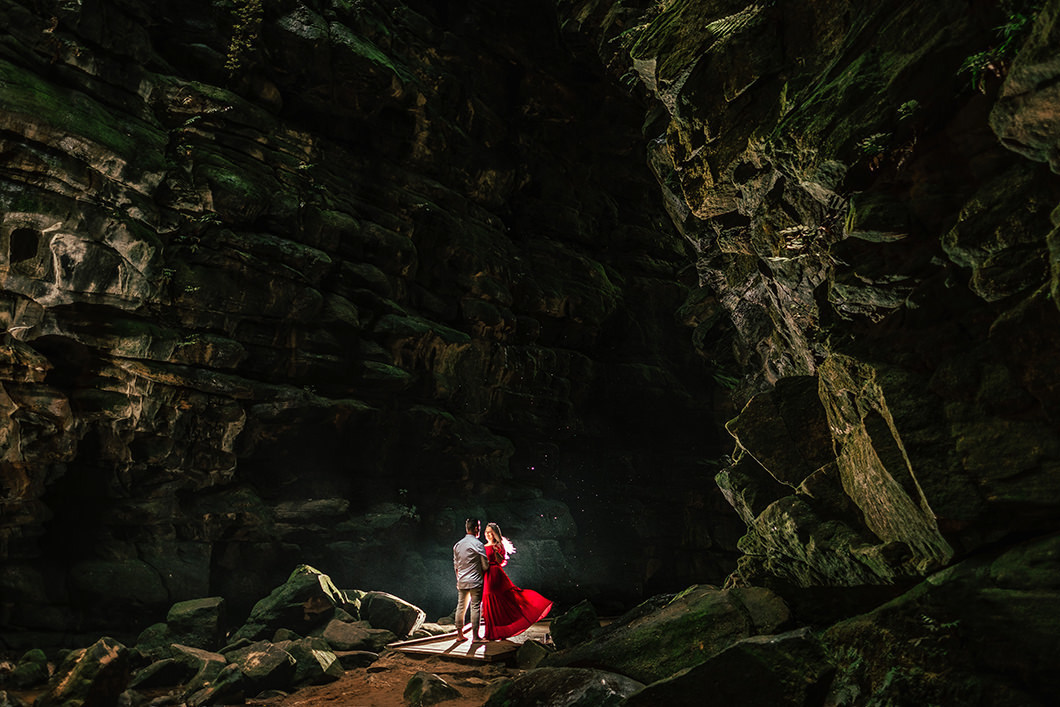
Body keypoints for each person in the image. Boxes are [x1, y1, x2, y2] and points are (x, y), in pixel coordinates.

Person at [481, 522, 553, 640]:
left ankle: (501, 630)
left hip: (496, 574)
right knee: (488, 600)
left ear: (495, 534)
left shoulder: (498, 545)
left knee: (501, 599)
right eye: (486, 532)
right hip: (486, 574)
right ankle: (491, 632)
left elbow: (501, 561)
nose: (488, 534)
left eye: (491, 532)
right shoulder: (482, 547)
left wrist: (496, 551)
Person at [453, 518, 488, 641]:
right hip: (476, 581)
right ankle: (475, 636)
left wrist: (459, 579)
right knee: (475, 607)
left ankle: (459, 635)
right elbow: (485, 566)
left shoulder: (457, 545)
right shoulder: (478, 544)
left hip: (462, 580)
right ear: (476, 528)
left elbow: (456, 566)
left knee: (461, 607)